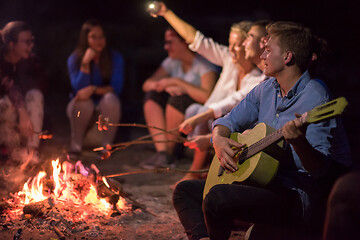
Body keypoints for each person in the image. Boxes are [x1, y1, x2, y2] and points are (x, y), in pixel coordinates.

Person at [173, 21, 352, 240]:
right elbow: (228, 120)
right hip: (264, 184)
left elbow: (319, 170)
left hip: (296, 194)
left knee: (218, 197)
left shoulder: (316, 97)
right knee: (185, 191)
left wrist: (298, 142)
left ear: (287, 57)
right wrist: (218, 139)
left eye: (268, 50)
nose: (262, 55)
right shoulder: (267, 87)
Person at [149, 2, 264, 181]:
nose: (232, 49)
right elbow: (197, 41)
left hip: (239, 126)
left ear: (249, 45)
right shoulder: (229, 60)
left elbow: (233, 101)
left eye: (238, 44)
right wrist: (167, 13)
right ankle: (201, 166)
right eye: (230, 44)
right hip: (215, 119)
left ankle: (193, 173)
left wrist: (199, 118)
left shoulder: (258, 78)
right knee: (194, 109)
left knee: (200, 112)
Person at [140, 27, 219, 169]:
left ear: (184, 42)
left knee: (179, 99)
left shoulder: (204, 65)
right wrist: (165, 86)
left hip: (192, 120)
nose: (166, 47)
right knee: (153, 96)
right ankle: (163, 152)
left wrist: (177, 82)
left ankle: (169, 152)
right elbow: (147, 84)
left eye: (170, 42)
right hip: (174, 121)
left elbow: (207, 96)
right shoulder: (171, 62)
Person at [66, 19, 124, 159]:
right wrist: (85, 63)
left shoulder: (114, 57)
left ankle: (106, 147)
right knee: (82, 102)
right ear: (85, 39)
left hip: (104, 109)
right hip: (81, 108)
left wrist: (92, 89)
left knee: (111, 99)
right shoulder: (75, 58)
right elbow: (79, 89)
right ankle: (76, 146)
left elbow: (116, 88)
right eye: (93, 37)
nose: (99, 41)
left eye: (101, 36)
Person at [0, 21, 46, 162]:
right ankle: (7, 149)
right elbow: (8, 85)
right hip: (6, 120)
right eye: (26, 42)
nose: (31, 45)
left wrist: (23, 110)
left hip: (25, 123)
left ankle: (31, 151)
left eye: (32, 41)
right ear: (11, 44)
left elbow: (37, 86)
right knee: (4, 103)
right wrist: (21, 110)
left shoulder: (31, 61)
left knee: (35, 95)